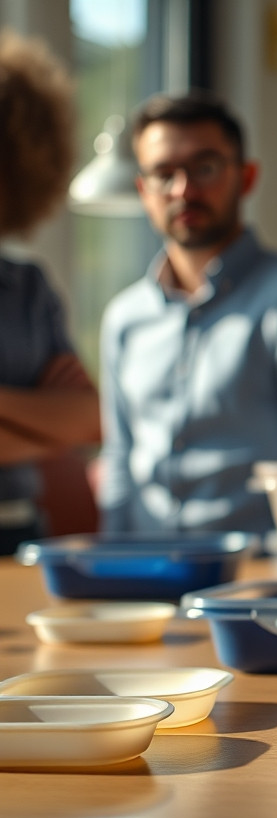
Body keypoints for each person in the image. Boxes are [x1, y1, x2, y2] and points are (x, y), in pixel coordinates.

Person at [97, 92, 277, 534]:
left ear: (247, 176)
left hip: (255, 576)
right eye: (164, 174)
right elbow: (120, 459)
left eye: (205, 167)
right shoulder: (124, 318)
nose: (184, 190)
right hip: (146, 572)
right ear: (143, 191)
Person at [0, 31, 101, 553]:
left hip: (19, 532)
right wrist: (43, 416)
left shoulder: (28, 288)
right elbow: (67, 422)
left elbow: (89, 419)